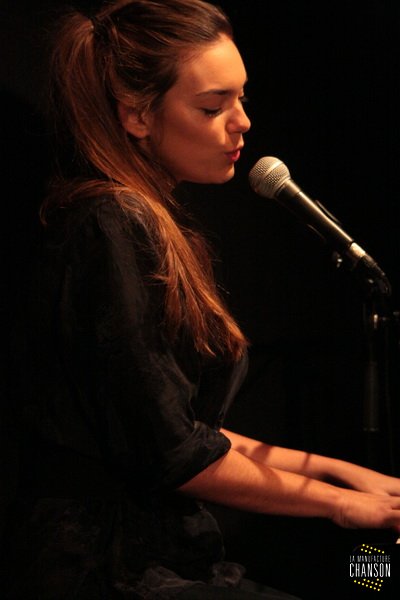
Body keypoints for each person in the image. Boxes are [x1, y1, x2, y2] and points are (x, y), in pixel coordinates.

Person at [4, 0, 400, 598]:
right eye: (213, 107)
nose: (242, 122)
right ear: (137, 115)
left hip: (156, 553)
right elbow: (172, 451)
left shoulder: (138, 218)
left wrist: (339, 472)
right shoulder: (110, 221)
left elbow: (178, 427)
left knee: (368, 576)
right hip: (107, 566)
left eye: (241, 98)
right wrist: (341, 505)